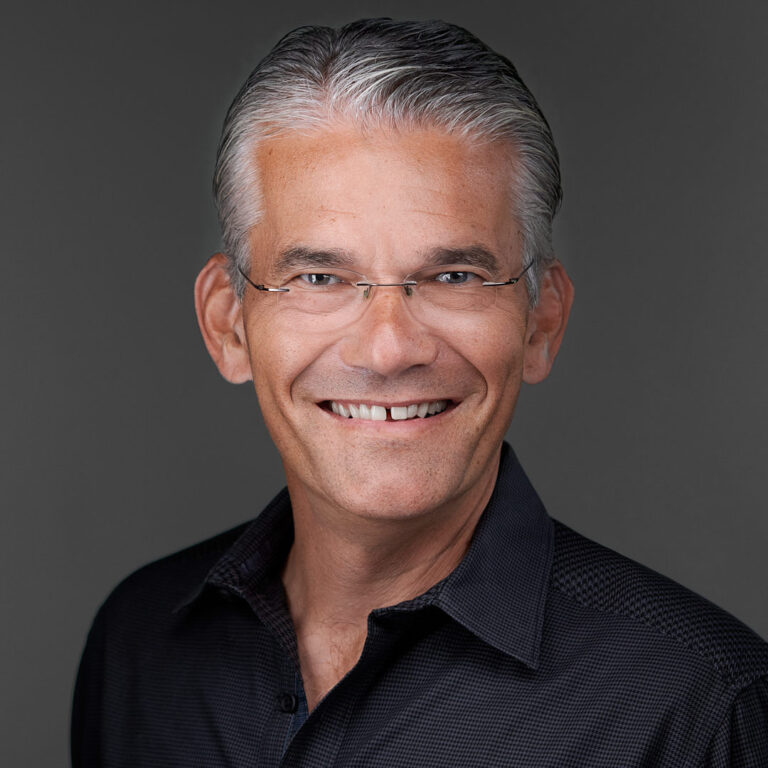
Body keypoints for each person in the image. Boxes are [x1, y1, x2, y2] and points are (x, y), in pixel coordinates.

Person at [71, 18, 768, 767]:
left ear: (541, 321)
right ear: (228, 325)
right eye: (319, 277)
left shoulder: (700, 711)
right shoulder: (139, 645)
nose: (388, 349)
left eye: (454, 277)